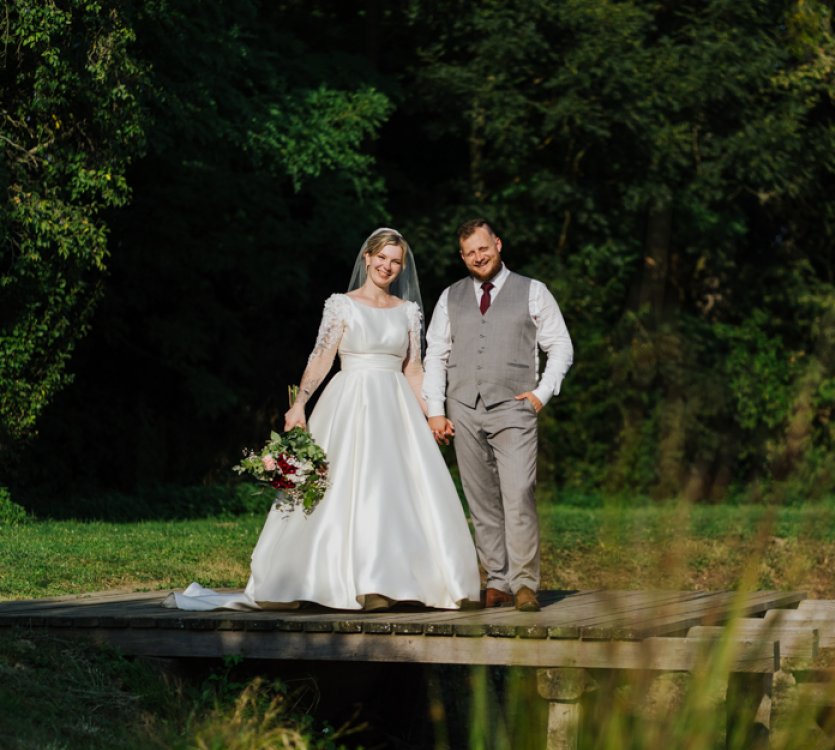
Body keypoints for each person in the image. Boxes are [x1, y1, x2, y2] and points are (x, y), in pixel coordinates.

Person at [166, 228, 481, 611]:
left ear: (402, 267)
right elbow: (321, 357)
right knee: (340, 487)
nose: (387, 266)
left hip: (396, 408)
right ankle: (326, 578)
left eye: (395, 261)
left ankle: (388, 582)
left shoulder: (408, 311)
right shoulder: (342, 305)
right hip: (350, 402)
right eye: (381, 258)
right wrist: (299, 404)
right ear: (367, 258)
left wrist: (432, 415)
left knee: (393, 492)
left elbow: (413, 369)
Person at [423, 219, 573, 612]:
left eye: (483, 248)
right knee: (481, 499)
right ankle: (498, 580)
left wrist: (542, 393)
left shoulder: (533, 291)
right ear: (462, 257)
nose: (478, 257)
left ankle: (524, 583)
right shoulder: (450, 297)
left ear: (498, 245)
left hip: (514, 406)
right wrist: (436, 410)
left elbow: (560, 345)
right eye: (470, 252)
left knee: (519, 492)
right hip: (462, 406)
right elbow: (435, 354)